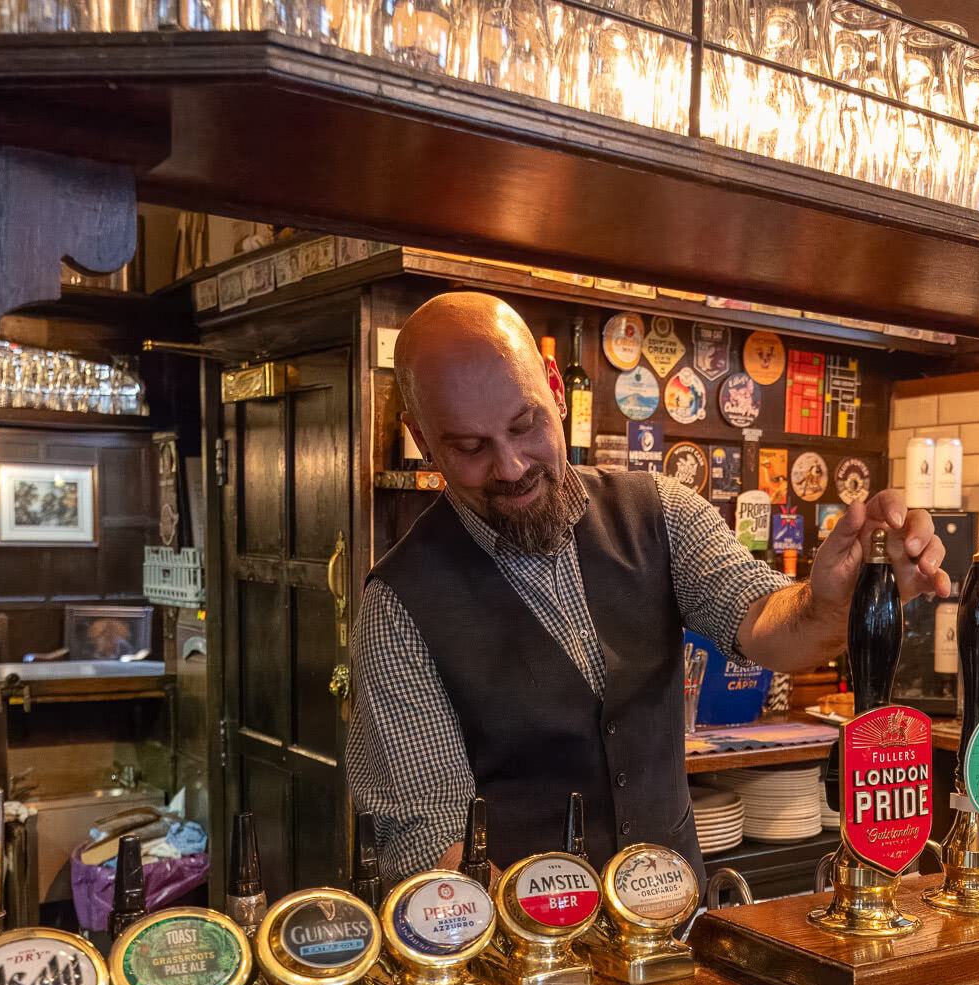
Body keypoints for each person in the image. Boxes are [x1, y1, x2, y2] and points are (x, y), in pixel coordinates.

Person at [349, 292, 948, 881]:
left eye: (525, 425)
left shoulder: (660, 512)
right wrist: (546, 947)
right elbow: (432, 843)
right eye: (470, 447)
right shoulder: (401, 604)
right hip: (522, 955)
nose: (510, 466)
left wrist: (834, 604)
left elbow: (772, 628)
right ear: (423, 439)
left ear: (555, 391)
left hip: (676, 926)